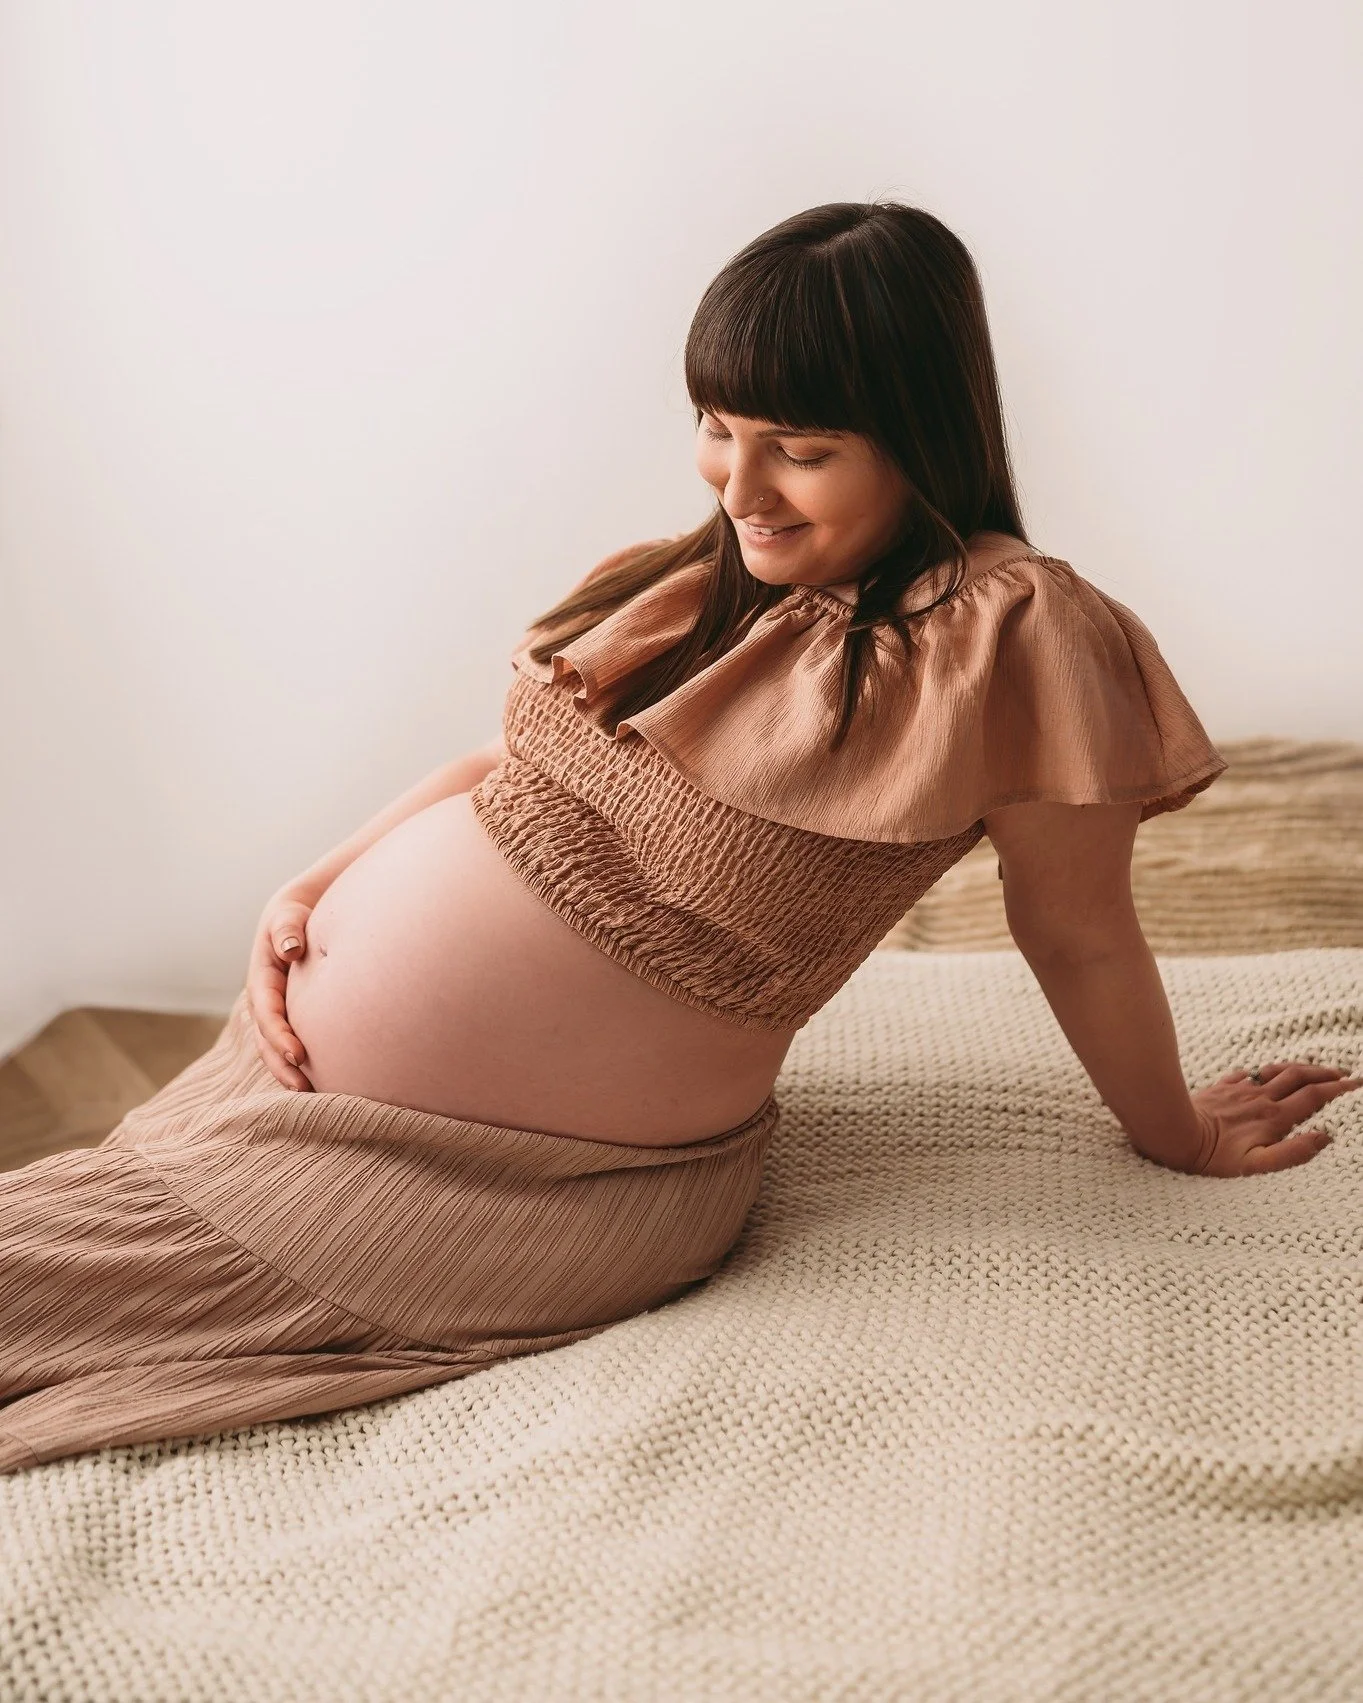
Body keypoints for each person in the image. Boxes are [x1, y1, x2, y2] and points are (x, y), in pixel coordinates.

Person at [3, 200, 1358, 1477]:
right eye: (716, 427)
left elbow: (1073, 928)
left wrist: (1173, 1130)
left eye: (801, 449)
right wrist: (311, 880)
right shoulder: (713, 571)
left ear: (919, 432)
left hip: (517, 1179)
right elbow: (516, 762)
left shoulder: (1017, 634)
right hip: (286, 1071)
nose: (741, 483)